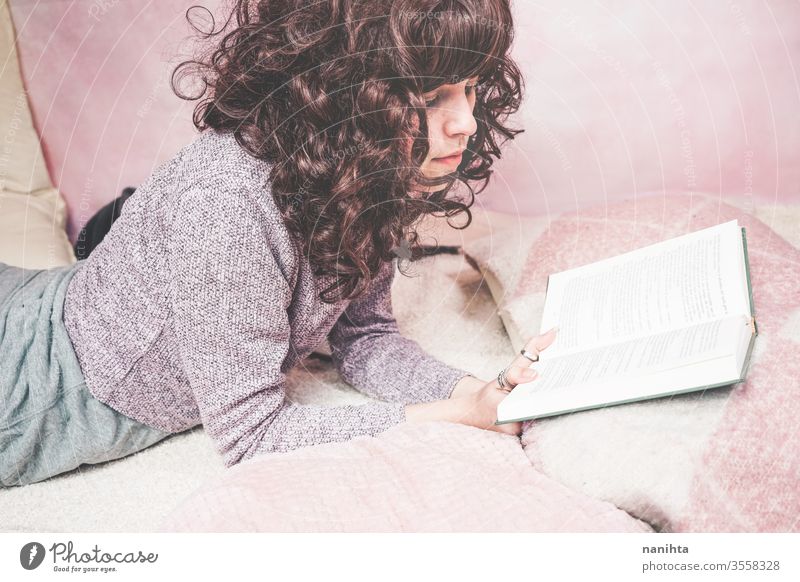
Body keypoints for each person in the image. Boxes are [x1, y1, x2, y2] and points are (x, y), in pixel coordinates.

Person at [0, 0, 558, 488]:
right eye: (436, 97)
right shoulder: (225, 203)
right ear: (352, 93)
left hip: (56, 297)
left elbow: (364, 336)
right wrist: (449, 418)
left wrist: (479, 393)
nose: (466, 121)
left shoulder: (364, 168)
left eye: (472, 88)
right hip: (29, 381)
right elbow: (252, 436)